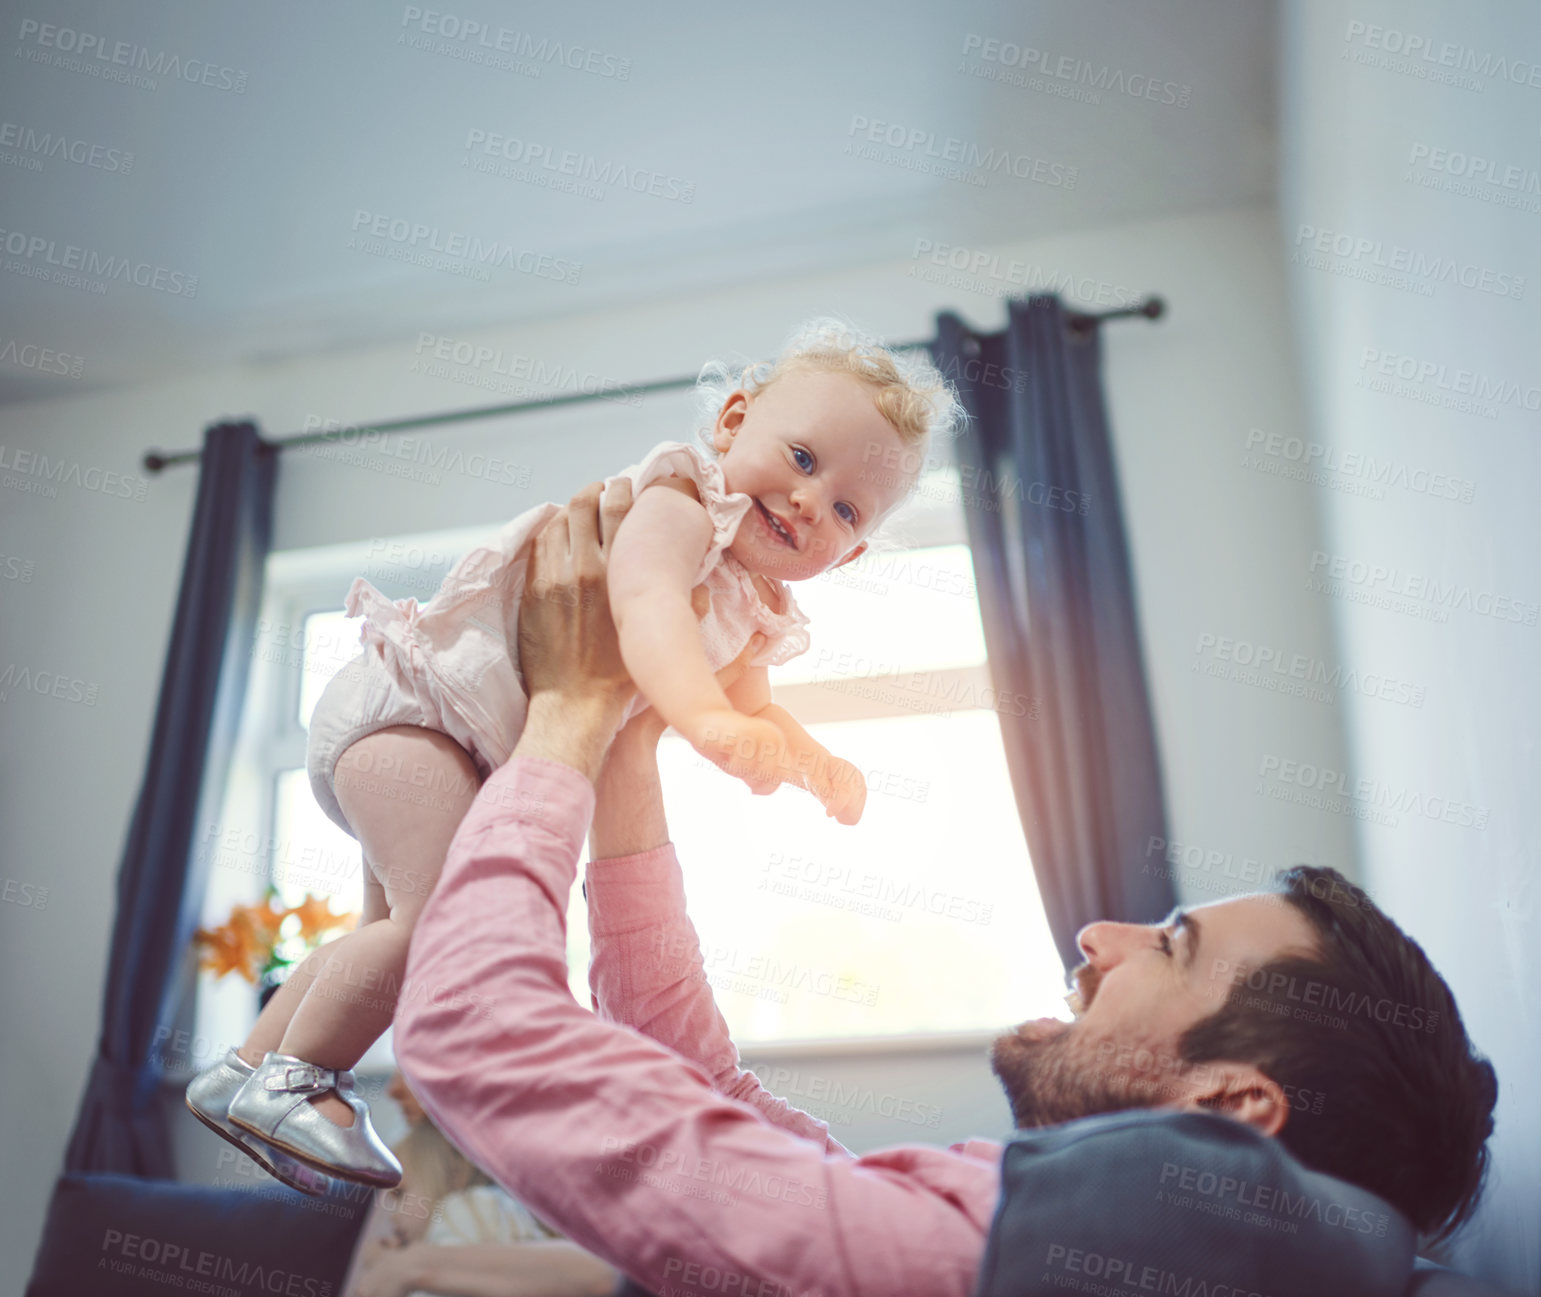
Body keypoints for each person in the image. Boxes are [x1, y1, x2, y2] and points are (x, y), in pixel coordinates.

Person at [390, 482, 1498, 1297]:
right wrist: (627, 763)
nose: (1098, 930)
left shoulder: (1095, 1239)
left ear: (1227, 1106)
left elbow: (466, 1028)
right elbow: (720, 1108)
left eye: (1167, 946)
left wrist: (566, 716)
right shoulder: (1081, 1237)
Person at [185, 317, 965, 1192]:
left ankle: (243, 1069)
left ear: (851, 552)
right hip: (417, 714)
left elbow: (753, 710)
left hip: (453, 751)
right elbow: (644, 607)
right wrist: (708, 720)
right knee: (437, 924)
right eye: (803, 459)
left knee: (386, 933)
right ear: (734, 421)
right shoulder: (681, 504)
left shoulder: (757, 607)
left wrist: (805, 759)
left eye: (845, 511)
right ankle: (302, 1079)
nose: (808, 503)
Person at [340, 1070, 617, 1297]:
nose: (392, 1215)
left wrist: (402, 1268)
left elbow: (605, 1275)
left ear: (455, 1172)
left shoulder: (467, 1209)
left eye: (400, 1194)